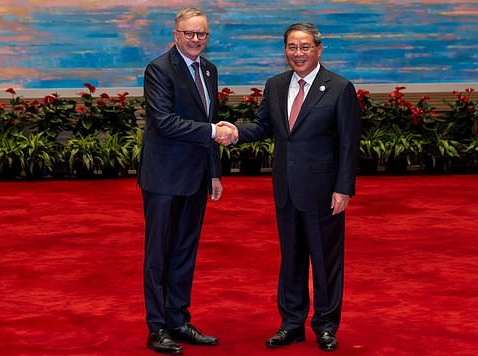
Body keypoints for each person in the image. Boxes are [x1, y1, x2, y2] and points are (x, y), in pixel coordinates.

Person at [217, 22, 361, 352]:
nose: (298, 53)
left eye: (305, 47)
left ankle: (325, 325)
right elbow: (264, 126)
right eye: (292, 47)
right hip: (285, 190)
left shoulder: (339, 87)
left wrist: (344, 188)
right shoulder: (277, 85)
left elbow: (348, 143)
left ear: (319, 49)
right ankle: (291, 324)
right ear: (285, 51)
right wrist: (235, 133)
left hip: (324, 191)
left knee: (325, 262)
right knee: (291, 259)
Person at [138, 7, 234, 355]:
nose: (196, 40)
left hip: (195, 179)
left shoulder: (209, 70)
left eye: (202, 35)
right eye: (189, 34)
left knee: (184, 254)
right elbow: (165, 122)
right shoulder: (159, 69)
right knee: (159, 255)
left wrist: (214, 172)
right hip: (163, 178)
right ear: (175, 34)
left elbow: (210, 118)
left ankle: (178, 320)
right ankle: (157, 327)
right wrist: (213, 131)